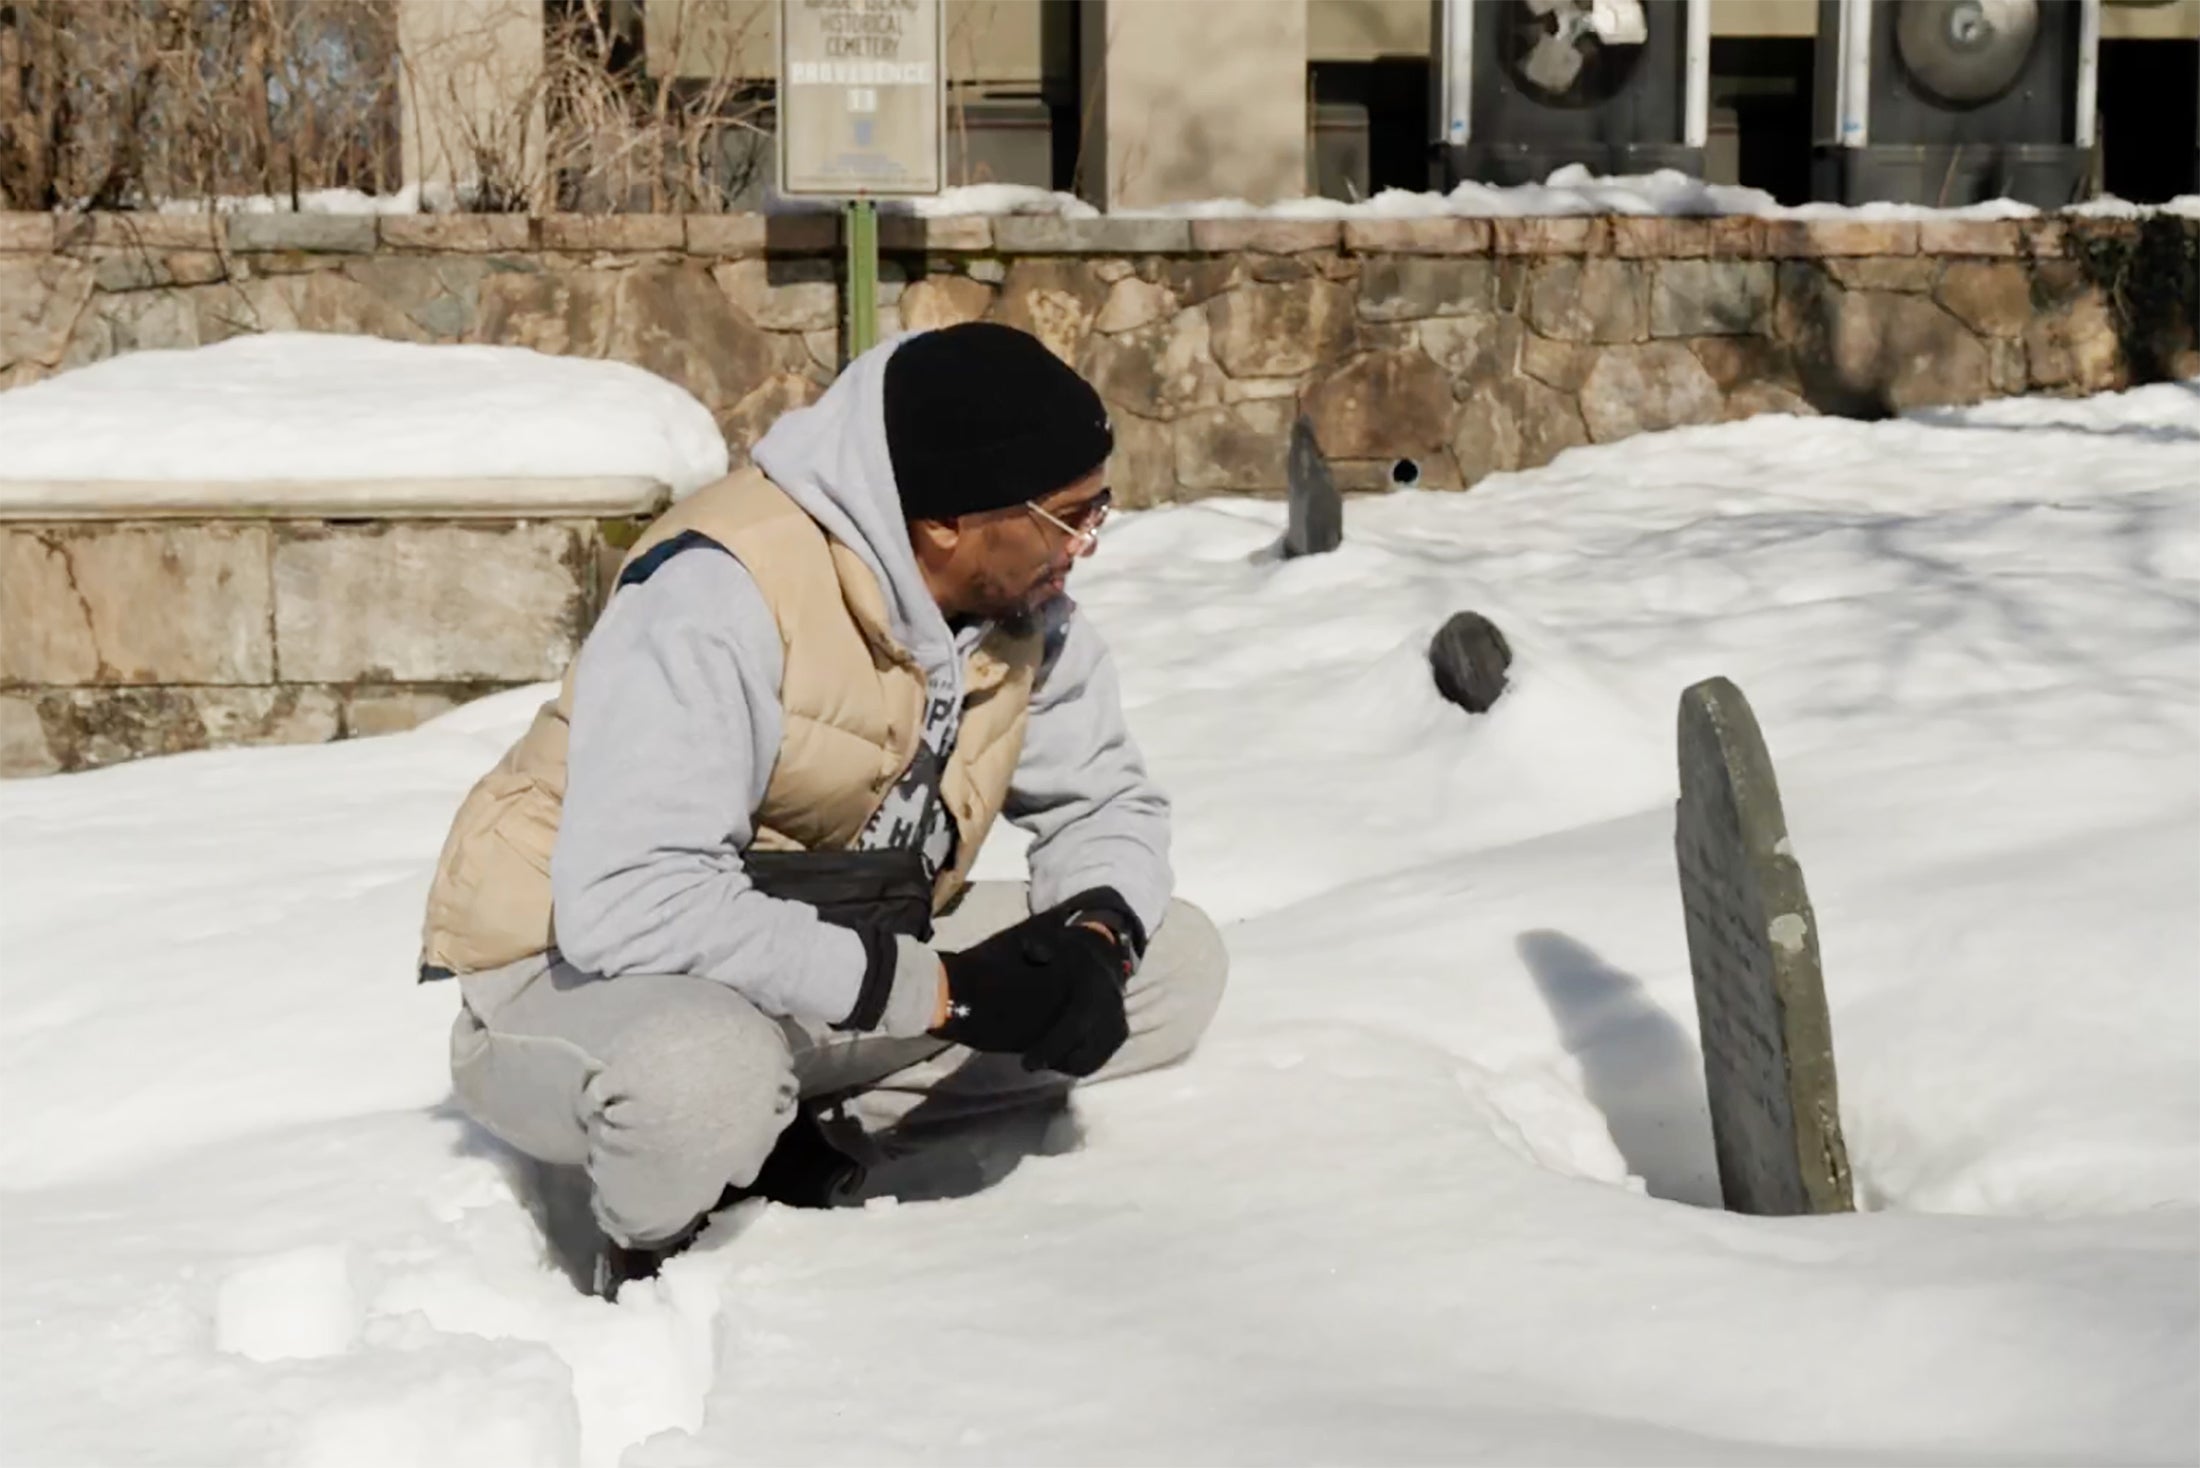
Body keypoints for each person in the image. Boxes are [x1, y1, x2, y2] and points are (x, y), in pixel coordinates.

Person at [416, 322, 1228, 1298]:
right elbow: (634, 899)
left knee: (1170, 959)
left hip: (838, 948)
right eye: (1069, 515)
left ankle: (812, 1141)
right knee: (697, 1080)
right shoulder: (718, 590)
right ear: (946, 522)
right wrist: (941, 994)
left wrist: (1096, 934)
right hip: (577, 966)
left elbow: (1105, 800)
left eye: (1099, 508)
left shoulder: (1029, 612)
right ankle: (654, 1253)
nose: (1087, 545)